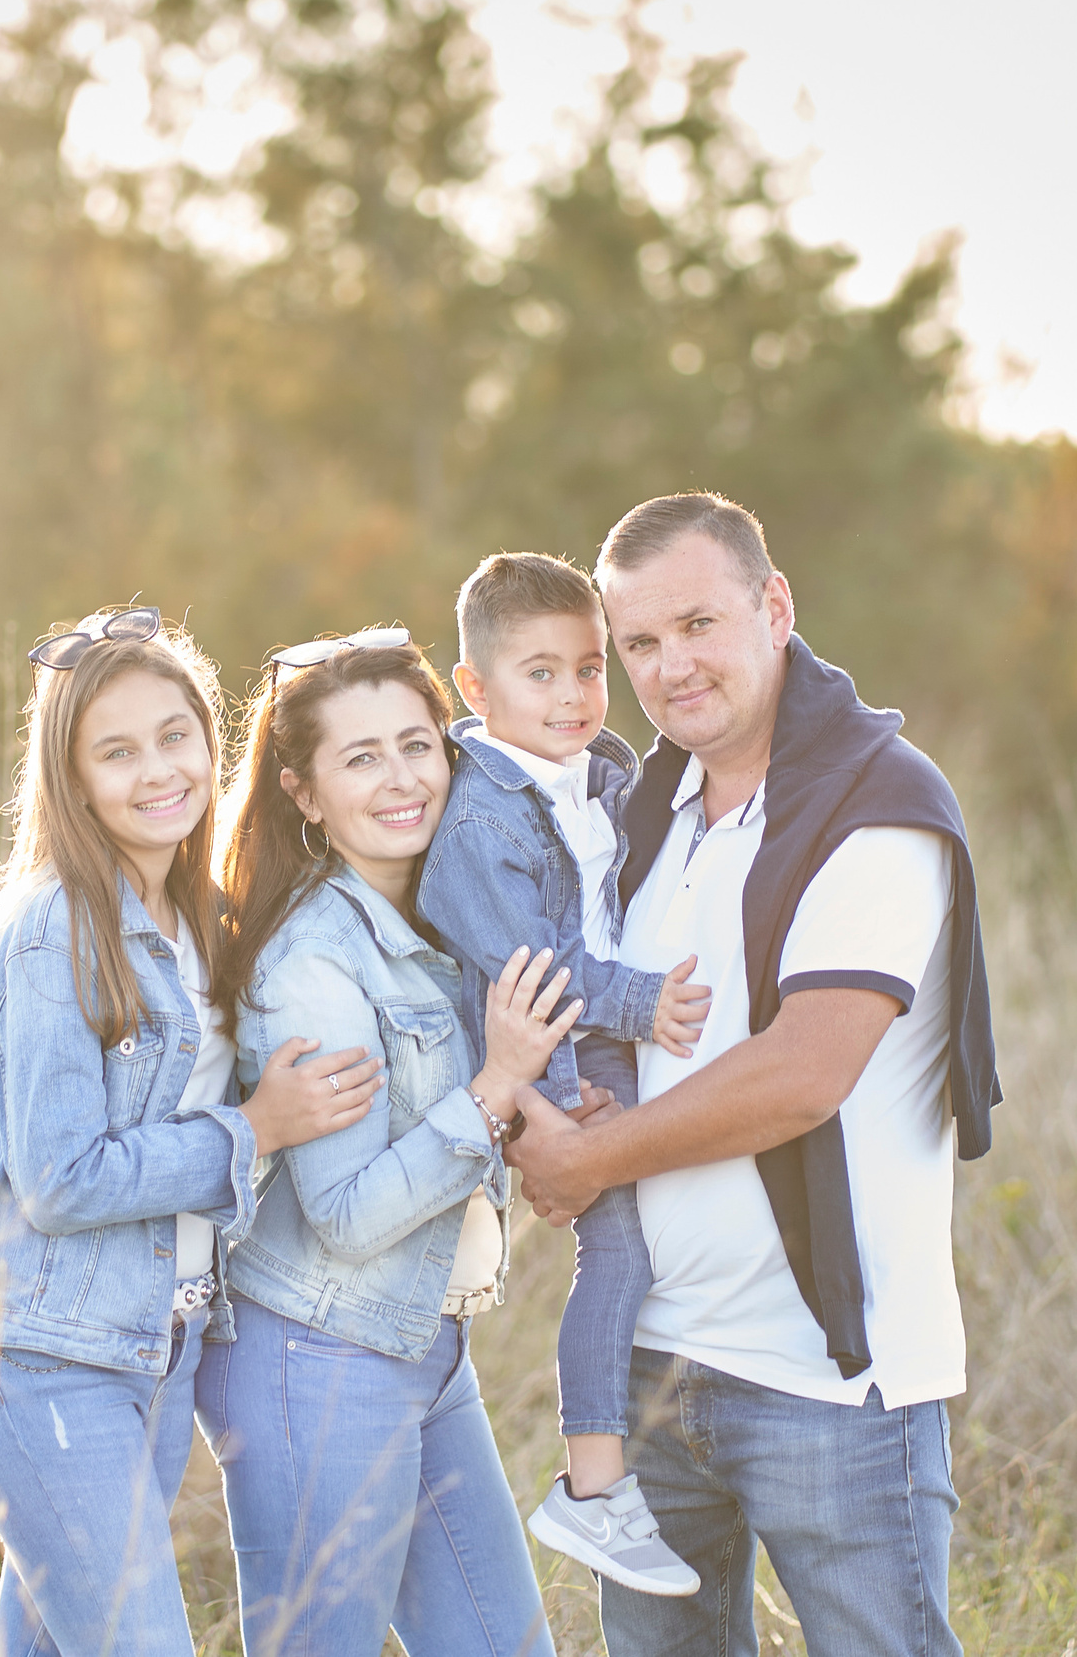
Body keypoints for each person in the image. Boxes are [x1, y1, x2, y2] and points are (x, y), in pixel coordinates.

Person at [508, 496, 1003, 1657]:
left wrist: (587, 1159)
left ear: (773, 608)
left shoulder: (878, 805)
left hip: (827, 1385)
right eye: (639, 644)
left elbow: (801, 1073)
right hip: (654, 1366)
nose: (671, 667)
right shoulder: (640, 815)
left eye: (697, 624)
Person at [0, 606, 384, 1657]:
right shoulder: (55, 934)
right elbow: (60, 1179)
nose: (158, 771)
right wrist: (252, 1130)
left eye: (176, 735)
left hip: (153, 1350)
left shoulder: (195, 922)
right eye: (116, 752)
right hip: (38, 1358)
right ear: (73, 779)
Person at [198, 628, 573, 1657]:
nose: (403, 779)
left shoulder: (448, 917)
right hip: (313, 1358)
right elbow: (351, 1212)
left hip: (418, 1344)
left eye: (418, 745)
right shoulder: (313, 960)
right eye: (361, 758)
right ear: (303, 794)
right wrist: (497, 1082)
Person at [415, 552, 711, 1595]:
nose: (574, 696)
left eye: (588, 669)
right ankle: (592, 1487)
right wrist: (640, 1004)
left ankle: (646, 1460)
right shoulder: (481, 818)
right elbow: (529, 966)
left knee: (659, 1243)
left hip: (606, 1050)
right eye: (539, 674)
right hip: (552, 1058)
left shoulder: (606, 773)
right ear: (475, 688)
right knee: (618, 1251)